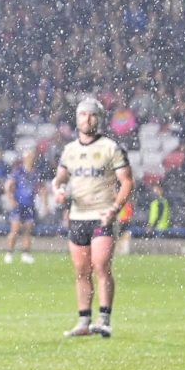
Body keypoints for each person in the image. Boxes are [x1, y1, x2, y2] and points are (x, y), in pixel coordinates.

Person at [52, 97, 133, 338]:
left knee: (101, 264)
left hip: (102, 216)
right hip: (78, 216)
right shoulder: (70, 150)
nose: (88, 119)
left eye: (93, 115)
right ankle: (83, 321)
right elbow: (59, 179)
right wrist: (57, 190)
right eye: (83, 115)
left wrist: (115, 208)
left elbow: (127, 181)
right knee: (81, 270)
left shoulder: (110, 147)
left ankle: (104, 319)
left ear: (99, 119)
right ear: (77, 119)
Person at [3, 150, 40, 264]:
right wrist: (11, 199)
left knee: (27, 230)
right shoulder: (18, 171)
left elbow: (36, 187)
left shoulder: (34, 172)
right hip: (19, 205)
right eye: (29, 156)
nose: (30, 159)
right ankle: (9, 253)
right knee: (14, 230)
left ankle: (25, 253)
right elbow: (8, 185)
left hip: (29, 205)